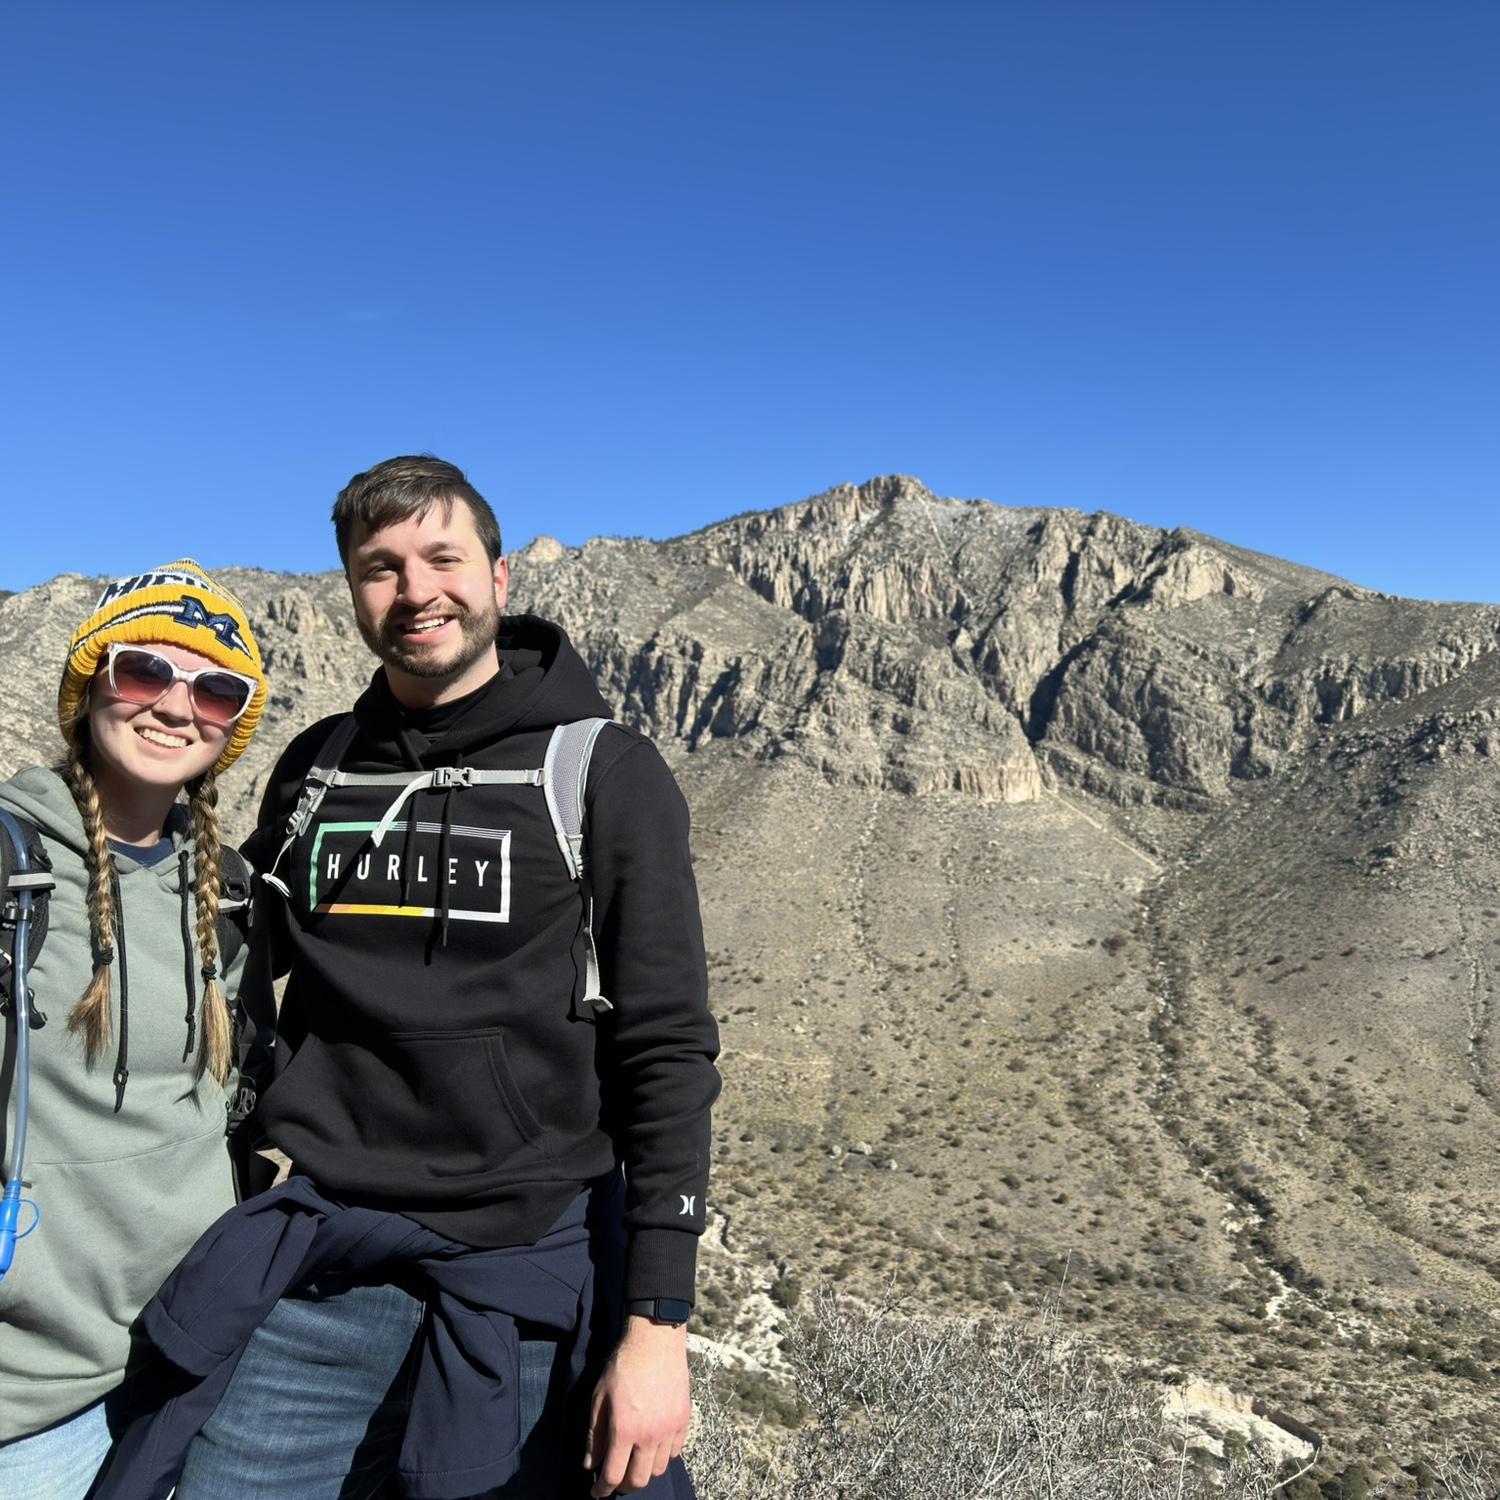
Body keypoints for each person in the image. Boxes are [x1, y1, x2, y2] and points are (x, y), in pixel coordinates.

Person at [102, 457, 720, 1500]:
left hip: (522, 1272)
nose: (416, 590)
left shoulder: (600, 770)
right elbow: (229, 980)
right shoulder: (319, 769)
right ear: (351, 592)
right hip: (319, 1266)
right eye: (380, 568)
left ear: (500, 576)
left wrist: (657, 1328)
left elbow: (665, 1046)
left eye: (443, 558)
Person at [0, 561, 268, 1500]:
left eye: (214, 688)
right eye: (143, 671)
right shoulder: (12, 868)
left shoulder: (230, 897)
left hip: (189, 1376)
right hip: (26, 1411)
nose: (174, 706)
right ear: (92, 685)